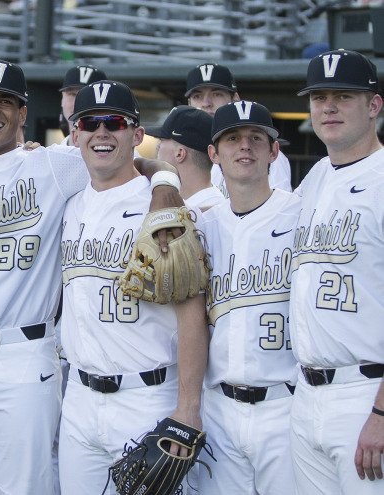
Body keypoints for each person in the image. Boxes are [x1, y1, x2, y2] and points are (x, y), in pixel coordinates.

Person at [0, 58, 184, 495]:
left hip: (22, 354)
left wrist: (166, 184)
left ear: (23, 114)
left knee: (24, 488)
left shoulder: (56, 166)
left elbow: (129, 158)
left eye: (7, 102)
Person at [57, 80, 208, 494]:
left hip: (147, 395)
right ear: (74, 133)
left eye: (115, 123)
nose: (101, 132)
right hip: (80, 396)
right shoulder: (68, 202)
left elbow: (193, 313)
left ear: (137, 135)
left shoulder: (162, 207)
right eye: (89, 123)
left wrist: (188, 409)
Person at [290, 48, 384, 493]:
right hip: (306, 393)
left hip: (367, 394)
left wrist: (383, 413)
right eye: (319, 96)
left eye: (344, 96)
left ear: (374, 105)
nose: (328, 107)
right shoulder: (314, 179)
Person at [198, 101, 299, 494]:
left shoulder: (302, 213)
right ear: (214, 154)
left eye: (256, 138)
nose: (245, 147)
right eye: (232, 139)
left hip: (285, 404)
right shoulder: (203, 227)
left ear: (274, 151)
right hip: (219, 406)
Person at [184, 63, 292, 195]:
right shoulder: (182, 152)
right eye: (197, 97)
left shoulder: (262, 153)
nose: (206, 103)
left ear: (235, 99)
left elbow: (279, 208)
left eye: (216, 94)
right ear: (189, 104)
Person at [147, 105, 225, 211]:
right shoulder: (208, 202)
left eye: (162, 140)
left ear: (180, 154)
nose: (158, 146)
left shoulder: (212, 213)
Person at [58, 64, 106, 145]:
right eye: (72, 94)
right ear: (62, 100)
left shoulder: (128, 156)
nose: (78, 102)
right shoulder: (50, 155)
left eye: (88, 95)